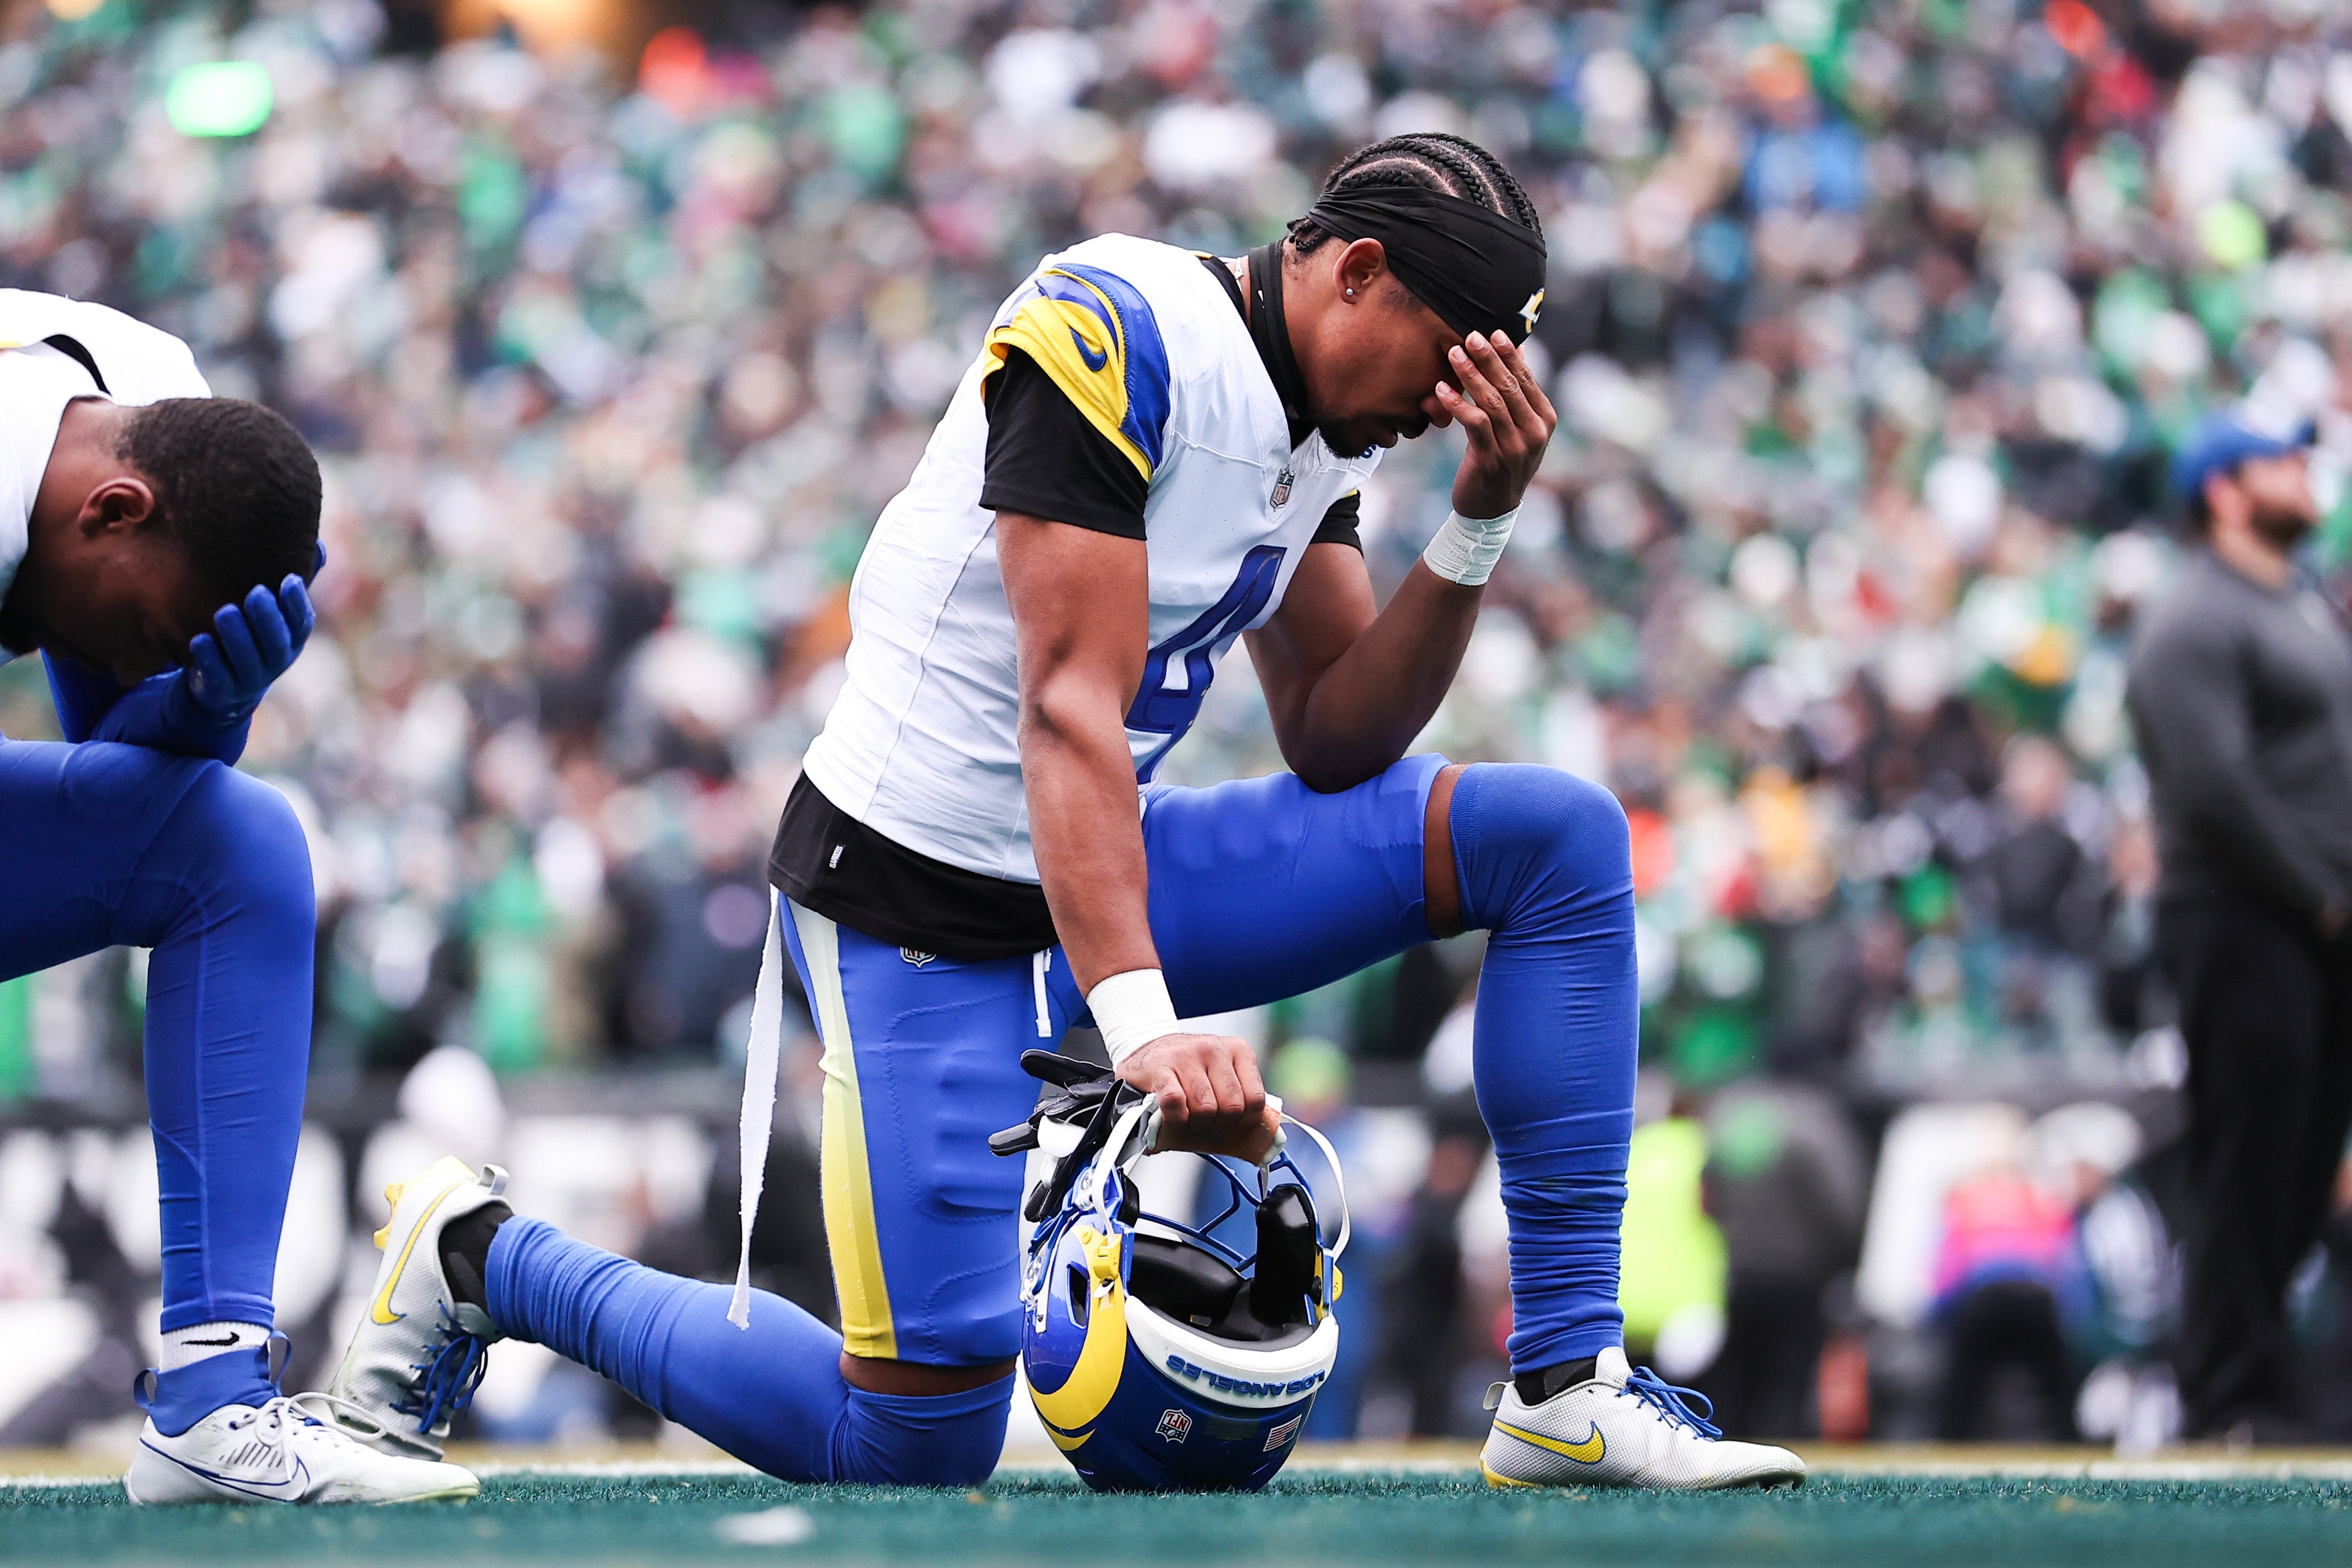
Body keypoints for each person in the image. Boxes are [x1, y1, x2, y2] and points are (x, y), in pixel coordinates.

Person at [327, 134, 1805, 1491]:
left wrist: (1481, 516)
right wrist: (1145, 1018)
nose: (1442, 406)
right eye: (1444, 362)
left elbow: (1341, 729)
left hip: (1097, 861)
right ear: (1357, 274)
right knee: (912, 1439)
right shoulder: (1117, 331)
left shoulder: (1319, 425)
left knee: (1555, 841)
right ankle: (476, 1257)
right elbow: (1066, 708)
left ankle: (1564, 1379)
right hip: (926, 900)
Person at [0, 290, 477, 1503]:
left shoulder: (148, 389)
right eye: (146, 631)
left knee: (238, 844)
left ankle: (214, 1403)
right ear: (115, 509)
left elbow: (123, 776)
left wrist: (202, 706)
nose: (127, 661)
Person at [2127, 409, 2352, 1442]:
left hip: (2313, 925)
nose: (2305, 473)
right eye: (2281, 460)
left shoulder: (2296, 605)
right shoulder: (2195, 617)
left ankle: (2262, 1384)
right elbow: (2211, 784)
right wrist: (2321, 890)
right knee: (2245, 1153)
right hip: (2242, 917)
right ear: (2224, 491)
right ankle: (2223, 1398)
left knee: (2303, 1160)